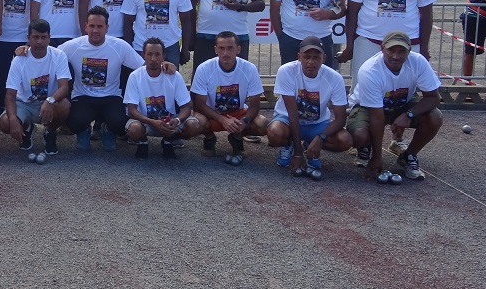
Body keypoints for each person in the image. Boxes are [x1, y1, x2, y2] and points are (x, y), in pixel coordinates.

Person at [345, 30, 443, 183]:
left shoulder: (418, 61)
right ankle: (366, 146)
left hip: (402, 103)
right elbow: (377, 116)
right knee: (360, 136)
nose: (396, 56)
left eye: (401, 51)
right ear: (382, 48)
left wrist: (408, 114)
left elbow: (434, 97)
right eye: (391, 50)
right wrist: (377, 157)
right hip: (367, 107)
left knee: (435, 117)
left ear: (409, 51)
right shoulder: (370, 70)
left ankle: (408, 156)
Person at [57, 6, 143, 152]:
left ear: (107, 27)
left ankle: (108, 129)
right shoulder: (73, 46)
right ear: (85, 26)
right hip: (83, 97)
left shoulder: (120, 46)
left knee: (120, 123)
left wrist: (164, 66)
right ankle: (83, 130)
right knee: (74, 121)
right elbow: (50, 56)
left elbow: (143, 67)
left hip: (111, 97)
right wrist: (27, 50)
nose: (95, 30)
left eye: (100, 26)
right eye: (91, 26)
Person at [266, 35, 352, 177]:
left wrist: (321, 138)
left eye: (316, 57)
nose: (311, 62)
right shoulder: (286, 71)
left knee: (345, 140)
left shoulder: (335, 78)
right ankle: (289, 145)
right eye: (306, 57)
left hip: (317, 123)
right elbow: (293, 113)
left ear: (324, 58)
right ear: (299, 57)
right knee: (275, 133)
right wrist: (298, 154)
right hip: (288, 120)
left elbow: (340, 119)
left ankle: (310, 144)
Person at [190, 31, 269, 166]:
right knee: (196, 122)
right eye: (221, 48)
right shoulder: (204, 68)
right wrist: (222, 119)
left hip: (238, 114)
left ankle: (237, 136)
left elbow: (255, 104)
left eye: (230, 48)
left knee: (263, 124)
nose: (225, 53)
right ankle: (209, 137)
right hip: (212, 114)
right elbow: (199, 104)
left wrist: (244, 122)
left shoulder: (249, 68)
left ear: (238, 49)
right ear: (216, 50)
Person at [0, 19, 71, 158]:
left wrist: (50, 100)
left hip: (49, 104)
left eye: (43, 37)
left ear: (49, 38)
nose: (39, 42)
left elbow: (64, 87)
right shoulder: (19, 60)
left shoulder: (59, 56)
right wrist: (13, 119)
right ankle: (27, 129)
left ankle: (50, 131)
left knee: (65, 105)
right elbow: (10, 95)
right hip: (25, 104)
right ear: (28, 38)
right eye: (35, 37)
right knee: (5, 122)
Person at [124, 36, 203, 159]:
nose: (153, 59)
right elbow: (131, 110)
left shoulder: (174, 75)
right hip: (145, 121)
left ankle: (168, 141)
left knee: (194, 126)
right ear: (143, 55)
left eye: (157, 54)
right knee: (134, 129)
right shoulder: (135, 76)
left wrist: (177, 121)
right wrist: (153, 122)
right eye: (149, 54)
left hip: (169, 121)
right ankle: (143, 142)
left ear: (164, 56)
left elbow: (187, 107)